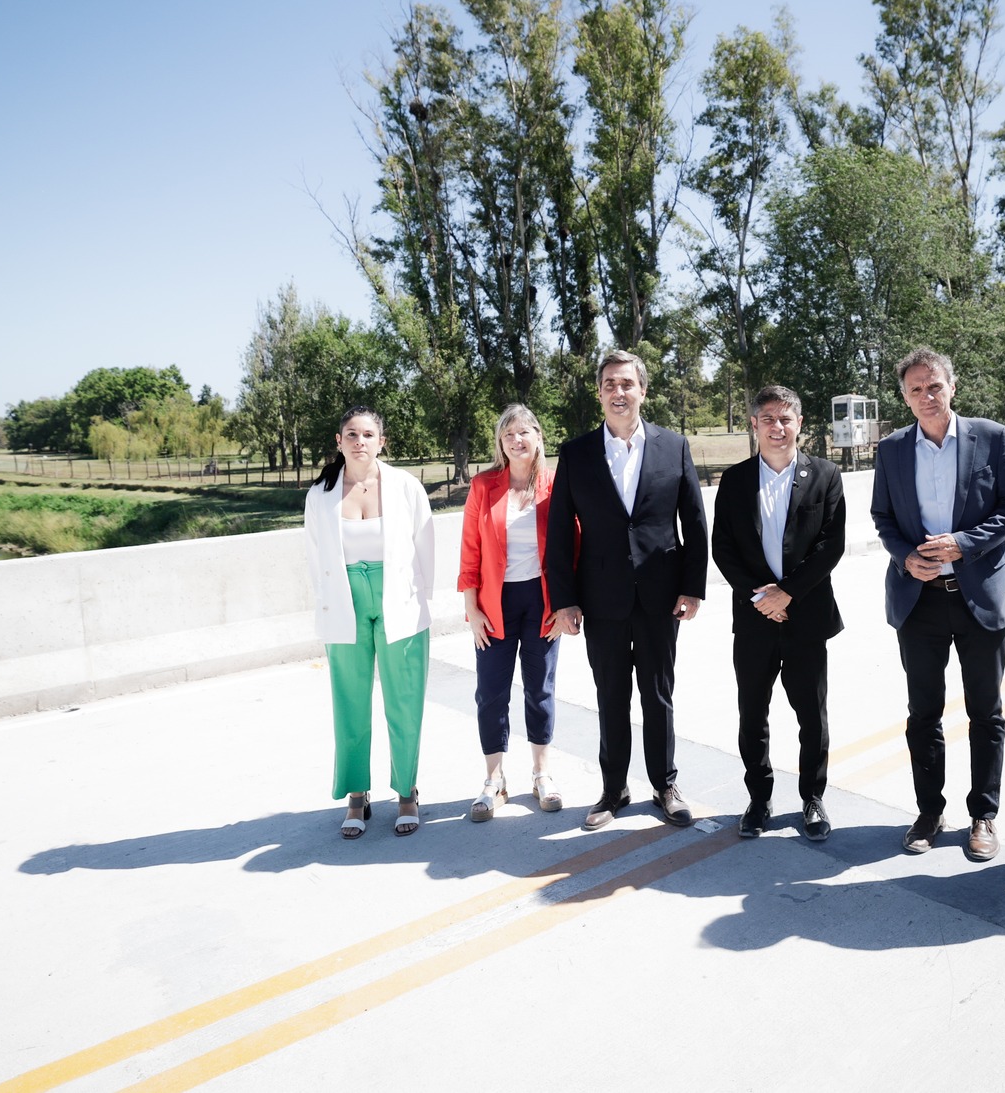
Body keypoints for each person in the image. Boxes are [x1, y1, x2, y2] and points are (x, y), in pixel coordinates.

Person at [871, 348, 1005, 860]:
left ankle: (983, 814)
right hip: (919, 602)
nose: (927, 396)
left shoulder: (992, 437)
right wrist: (904, 557)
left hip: (979, 597)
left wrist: (965, 542)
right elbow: (883, 518)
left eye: (934, 386)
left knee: (986, 711)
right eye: (915, 389)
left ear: (952, 387)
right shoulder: (892, 449)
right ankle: (929, 812)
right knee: (923, 713)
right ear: (905, 397)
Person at [545, 349, 709, 830]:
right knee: (611, 696)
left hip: (661, 595)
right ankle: (613, 788)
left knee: (658, 696)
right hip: (601, 598)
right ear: (599, 394)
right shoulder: (576, 453)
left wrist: (692, 588)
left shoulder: (674, 446)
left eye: (627, 384)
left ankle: (665, 785)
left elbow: (694, 523)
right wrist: (564, 601)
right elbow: (559, 532)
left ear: (643, 390)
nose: (619, 392)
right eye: (610, 385)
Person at [710, 385, 847, 841]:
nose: (777, 426)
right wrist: (762, 599)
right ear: (754, 424)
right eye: (768, 418)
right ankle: (759, 799)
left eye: (786, 418)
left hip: (806, 617)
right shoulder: (735, 481)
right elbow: (723, 548)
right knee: (752, 713)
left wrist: (787, 594)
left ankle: (813, 798)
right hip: (754, 619)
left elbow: (830, 546)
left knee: (813, 715)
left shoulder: (825, 475)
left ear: (799, 424)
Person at [302, 407, 436, 839]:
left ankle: (407, 792)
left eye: (368, 434)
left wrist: (419, 599)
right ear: (338, 441)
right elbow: (314, 554)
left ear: (382, 441)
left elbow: (425, 545)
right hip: (345, 604)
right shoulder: (321, 494)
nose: (359, 441)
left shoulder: (406, 487)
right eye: (351, 434)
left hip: (400, 602)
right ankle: (356, 794)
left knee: (404, 702)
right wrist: (326, 603)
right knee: (350, 703)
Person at [457, 404, 563, 821]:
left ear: (538, 436)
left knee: (540, 690)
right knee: (491, 693)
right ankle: (494, 780)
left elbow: (572, 547)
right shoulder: (483, 485)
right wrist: (472, 609)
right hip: (494, 604)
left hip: (542, 602)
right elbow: (470, 551)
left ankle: (541, 774)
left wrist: (565, 606)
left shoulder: (555, 484)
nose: (517, 440)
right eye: (508, 434)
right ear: (500, 443)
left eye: (524, 432)